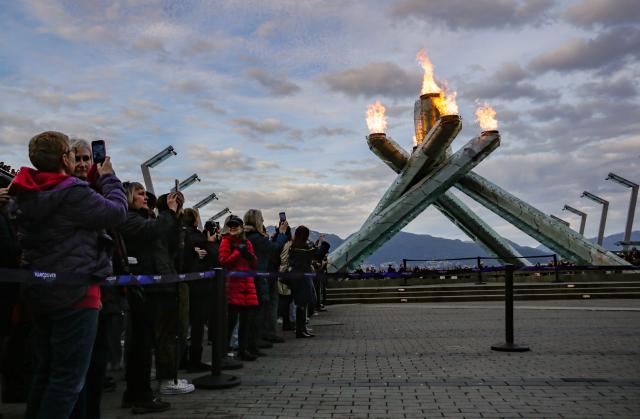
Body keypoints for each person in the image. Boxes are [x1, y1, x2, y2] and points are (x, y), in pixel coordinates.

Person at [9, 131, 127, 419]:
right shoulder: (73, 192)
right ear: (65, 157)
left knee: (46, 373)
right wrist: (109, 177)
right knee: (68, 381)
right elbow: (117, 211)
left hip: (40, 291)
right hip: (76, 293)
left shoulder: (26, 193)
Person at [118, 182, 188, 414]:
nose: (145, 197)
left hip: (154, 287)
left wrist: (175, 215)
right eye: (139, 193)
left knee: (143, 343)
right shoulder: (129, 219)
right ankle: (141, 396)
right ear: (128, 197)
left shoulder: (145, 219)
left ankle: (135, 394)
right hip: (144, 288)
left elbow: (168, 241)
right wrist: (168, 212)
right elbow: (154, 231)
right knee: (141, 345)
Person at [243, 210, 288, 348]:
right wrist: (281, 234)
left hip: (252, 275)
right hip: (259, 276)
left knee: (255, 310)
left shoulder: (246, 236)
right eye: (261, 219)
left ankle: (255, 339)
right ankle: (255, 340)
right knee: (259, 309)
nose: (263, 221)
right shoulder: (257, 238)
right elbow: (274, 248)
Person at [218, 215, 259, 361]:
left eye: (236, 225)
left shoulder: (247, 243)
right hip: (233, 285)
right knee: (231, 320)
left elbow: (254, 264)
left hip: (247, 284)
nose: (233, 228)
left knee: (246, 321)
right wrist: (237, 253)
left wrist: (248, 255)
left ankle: (243, 349)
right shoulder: (225, 241)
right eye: (231, 225)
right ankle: (224, 351)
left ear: (242, 227)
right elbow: (224, 261)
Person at [181, 208, 216, 371]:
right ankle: (195, 360)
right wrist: (210, 243)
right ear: (195, 220)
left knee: (181, 325)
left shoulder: (180, 235)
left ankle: (181, 359)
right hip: (200, 287)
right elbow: (214, 258)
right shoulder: (200, 238)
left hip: (182, 284)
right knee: (197, 325)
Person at [281, 226, 326, 338]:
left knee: (301, 304)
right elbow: (318, 255)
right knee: (304, 303)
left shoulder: (293, 247)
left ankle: (301, 329)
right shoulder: (305, 248)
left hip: (296, 278)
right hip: (303, 278)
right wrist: (323, 244)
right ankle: (300, 330)